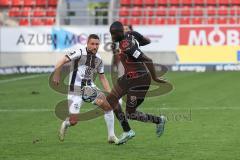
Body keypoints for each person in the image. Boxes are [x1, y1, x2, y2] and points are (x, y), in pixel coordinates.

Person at [108, 21, 167, 145]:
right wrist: (139, 43)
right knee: (112, 99)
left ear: (120, 32)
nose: (112, 37)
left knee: (131, 113)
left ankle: (158, 120)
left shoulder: (126, 45)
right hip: (129, 77)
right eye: (111, 34)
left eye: (114, 34)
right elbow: (147, 41)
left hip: (140, 80)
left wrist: (155, 78)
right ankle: (127, 131)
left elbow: (148, 60)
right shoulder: (132, 34)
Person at [52, 34, 118, 143]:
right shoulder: (79, 53)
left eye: (97, 44)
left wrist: (110, 93)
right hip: (75, 90)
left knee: (108, 106)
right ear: (87, 44)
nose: (94, 46)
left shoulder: (98, 59)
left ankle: (111, 136)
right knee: (74, 121)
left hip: (89, 88)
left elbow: (102, 77)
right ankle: (66, 123)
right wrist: (57, 74)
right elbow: (61, 61)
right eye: (92, 44)